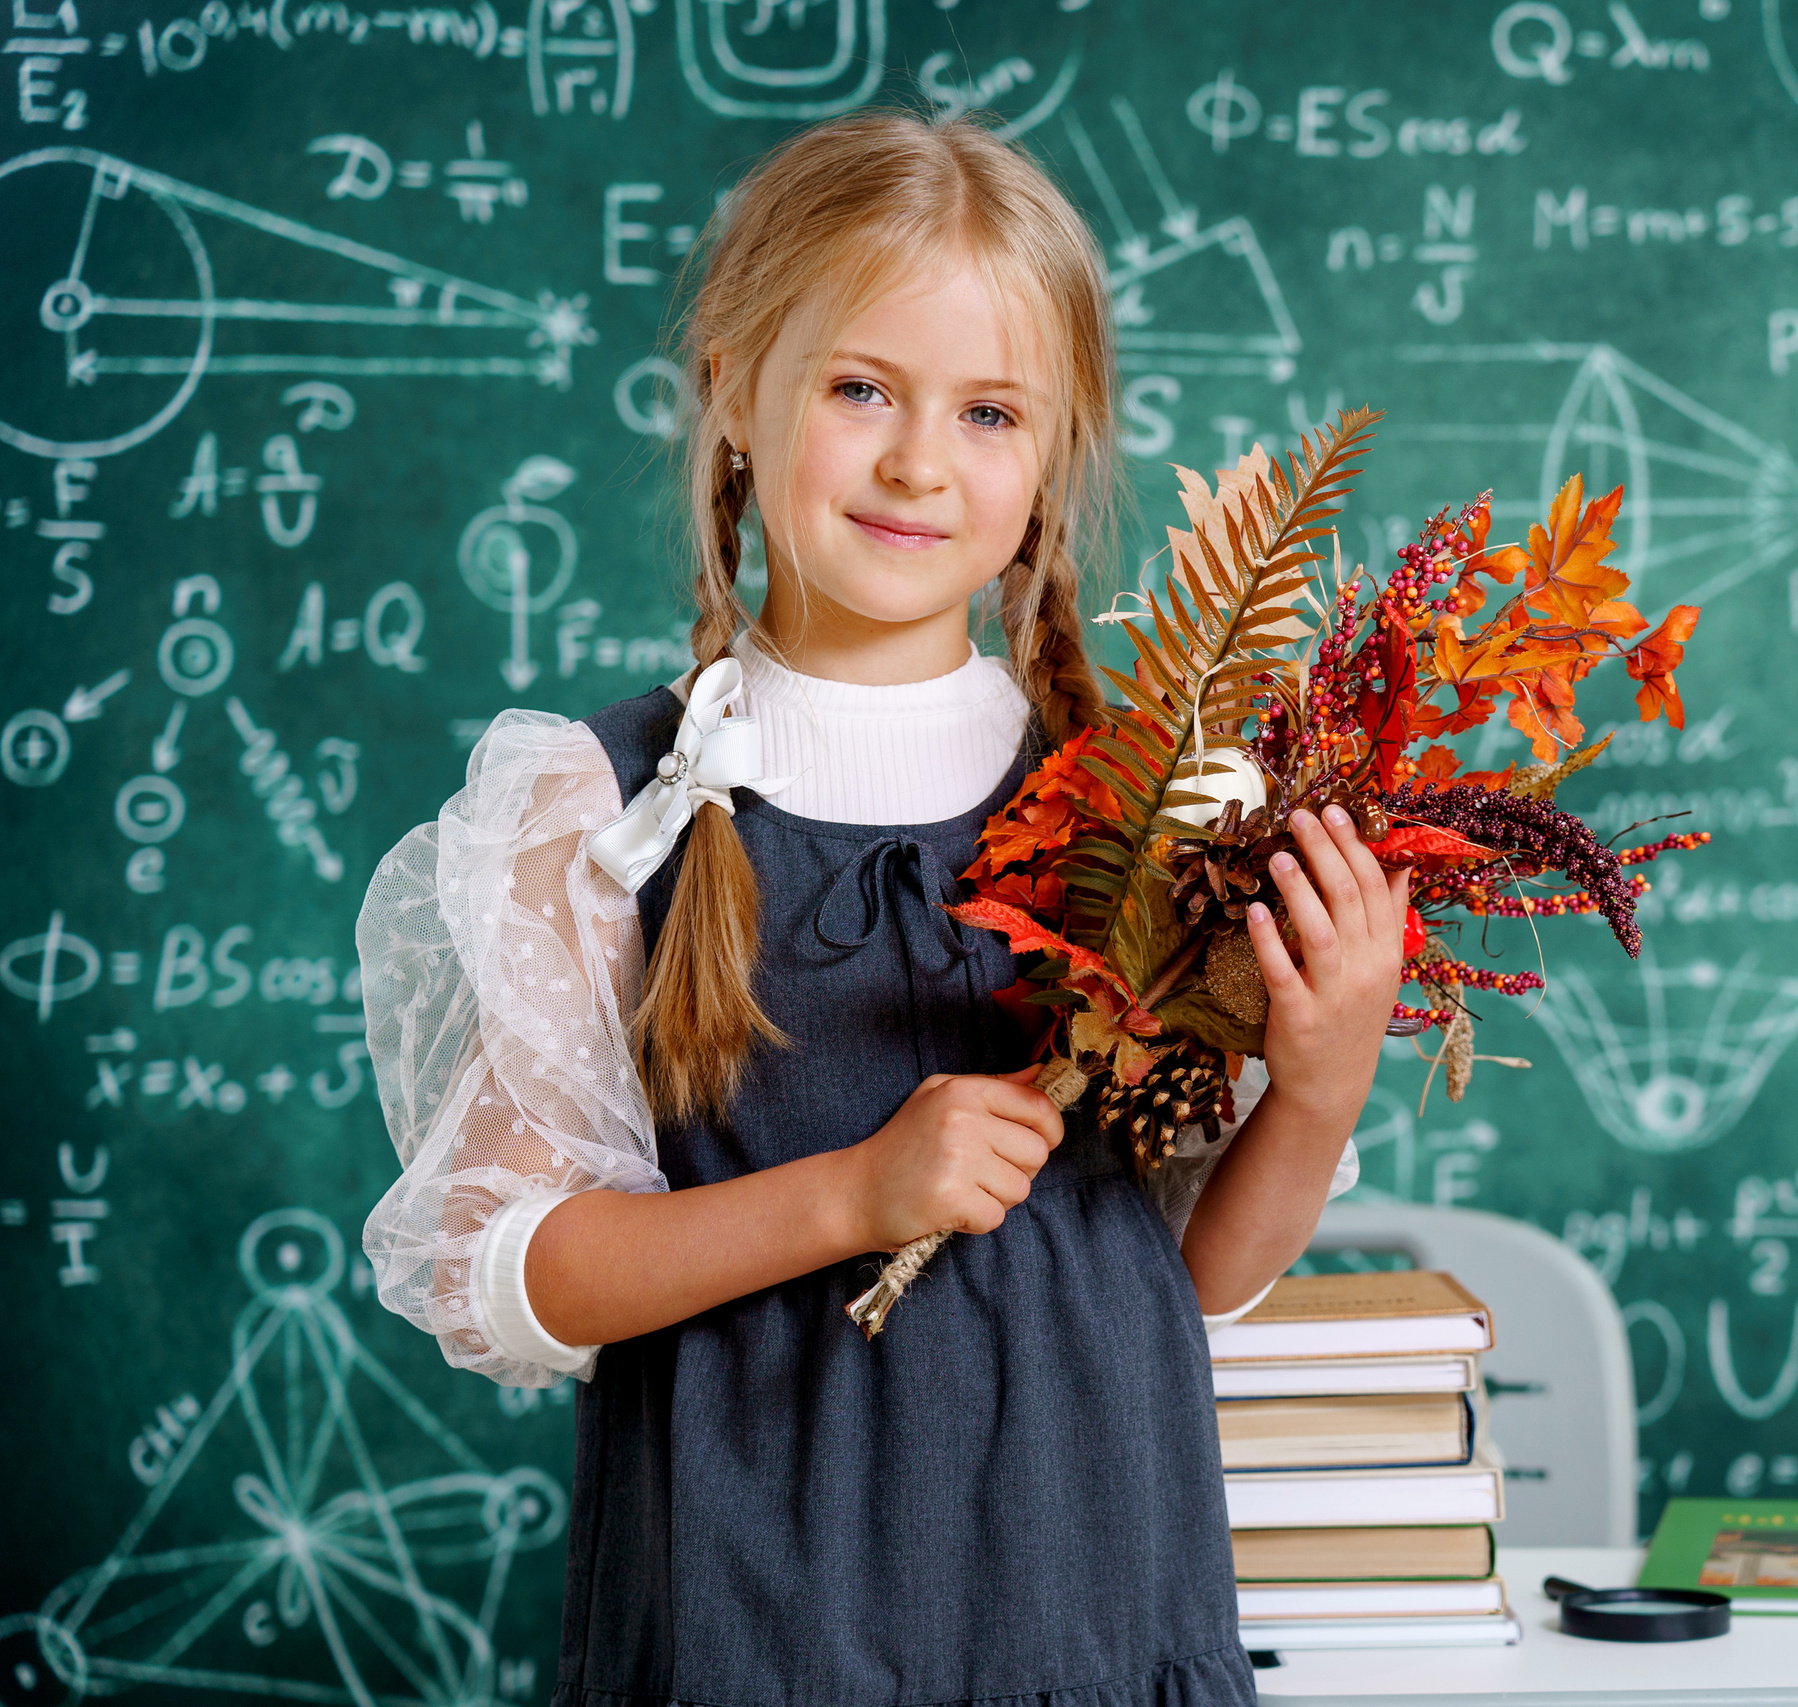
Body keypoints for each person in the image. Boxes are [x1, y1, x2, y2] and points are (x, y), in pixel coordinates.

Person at [355, 108, 1408, 1707]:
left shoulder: (1142, 803)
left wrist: (1323, 1087)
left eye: (991, 411)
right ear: (733, 391)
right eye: (862, 389)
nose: (921, 460)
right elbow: (509, 1277)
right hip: (753, 1635)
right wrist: (851, 1198)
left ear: (1051, 457)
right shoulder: (599, 808)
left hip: (1105, 1626)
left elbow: (1183, 1278)